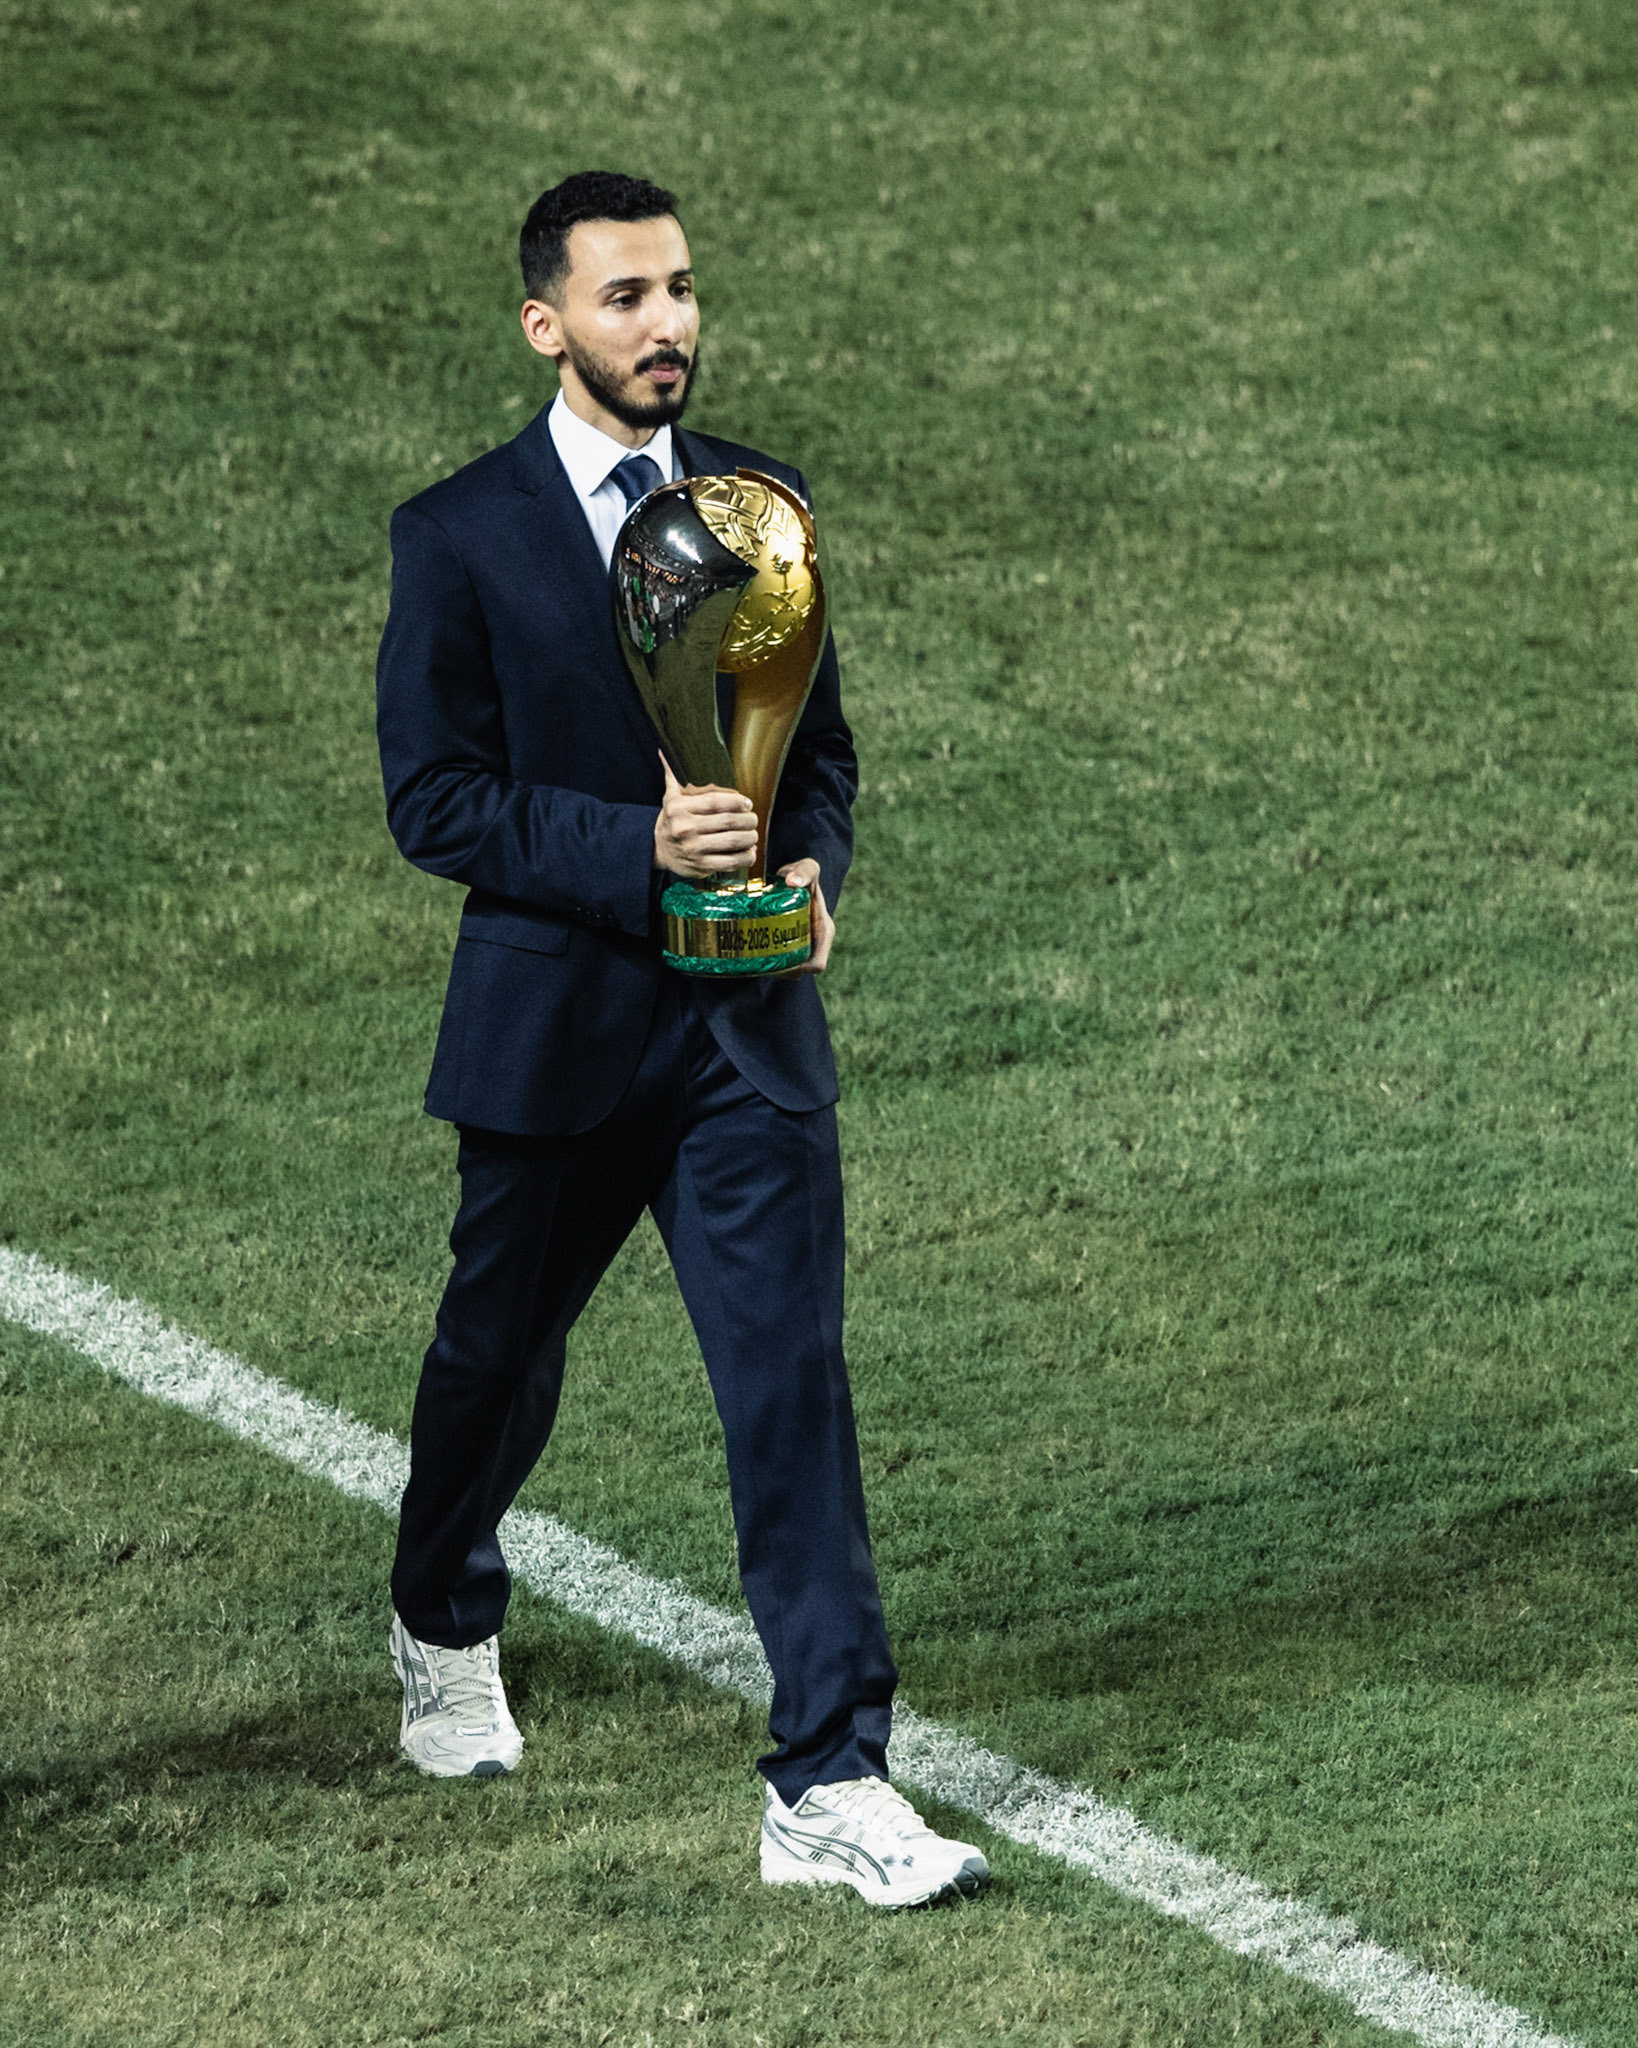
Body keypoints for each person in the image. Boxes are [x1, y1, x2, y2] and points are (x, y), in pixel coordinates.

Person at [374, 170, 988, 1909]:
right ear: (544, 323)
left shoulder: (761, 503)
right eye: (628, 297)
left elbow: (829, 749)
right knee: (495, 1361)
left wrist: (810, 871)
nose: (670, 326)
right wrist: (628, 848)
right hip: (558, 1030)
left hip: (746, 1031)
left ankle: (827, 1776)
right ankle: (440, 1612)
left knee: (788, 1385)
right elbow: (432, 798)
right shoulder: (462, 534)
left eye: (683, 291)